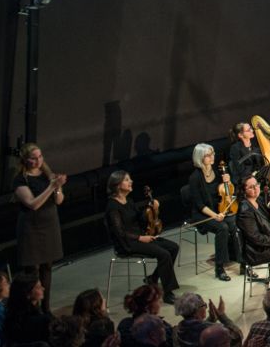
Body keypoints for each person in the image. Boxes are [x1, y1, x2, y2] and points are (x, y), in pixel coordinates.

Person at [104, 170, 180, 303]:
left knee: (173, 247)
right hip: (127, 243)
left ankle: (153, 278)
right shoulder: (112, 206)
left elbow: (141, 220)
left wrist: (151, 208)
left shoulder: (129, 201)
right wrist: (140, 238)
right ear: (117, 185)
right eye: (127, 180)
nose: (131, 182)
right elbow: (119, 232)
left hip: (140, 237)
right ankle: (168, 293)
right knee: (164, 254)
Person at [12, 143, 66, 307]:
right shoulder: (20, 179)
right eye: (34, 158)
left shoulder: (46, 174)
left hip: (50, 224)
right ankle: (32, 306)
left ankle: (46, 306)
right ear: (25, 160)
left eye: (40, 157)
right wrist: (51, 187)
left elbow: (59, 200)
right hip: (32, 227)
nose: (38, 161)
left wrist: (57, 188)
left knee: (47, 267)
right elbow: (33, 204)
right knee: (32, 270)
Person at [184, 144, 238, 282]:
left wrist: (228, 181)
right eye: (208, 155)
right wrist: (215, 216)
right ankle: (219, 268)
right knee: (223, 228)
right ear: (200, 158)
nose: (212, 157)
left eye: (213, 153)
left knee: (235, 224)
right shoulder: (195, 178)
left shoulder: (217, 172)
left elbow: (226, 191)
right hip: (202, 214)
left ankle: (241, 260)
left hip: (219, 209)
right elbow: (199, 205)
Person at [173, 293, 242, 347]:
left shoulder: (177, 330)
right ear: (196, 310)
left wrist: (211, 319)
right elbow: (238, 335)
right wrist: (222, 316)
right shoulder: (216, 330)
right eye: (204, 305)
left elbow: (196, 327)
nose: (206, 307)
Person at [4, 274, 52, 345]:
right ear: (27, 294)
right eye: (38, 287)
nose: (43, 288)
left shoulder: (10, 316)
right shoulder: (42, 319)